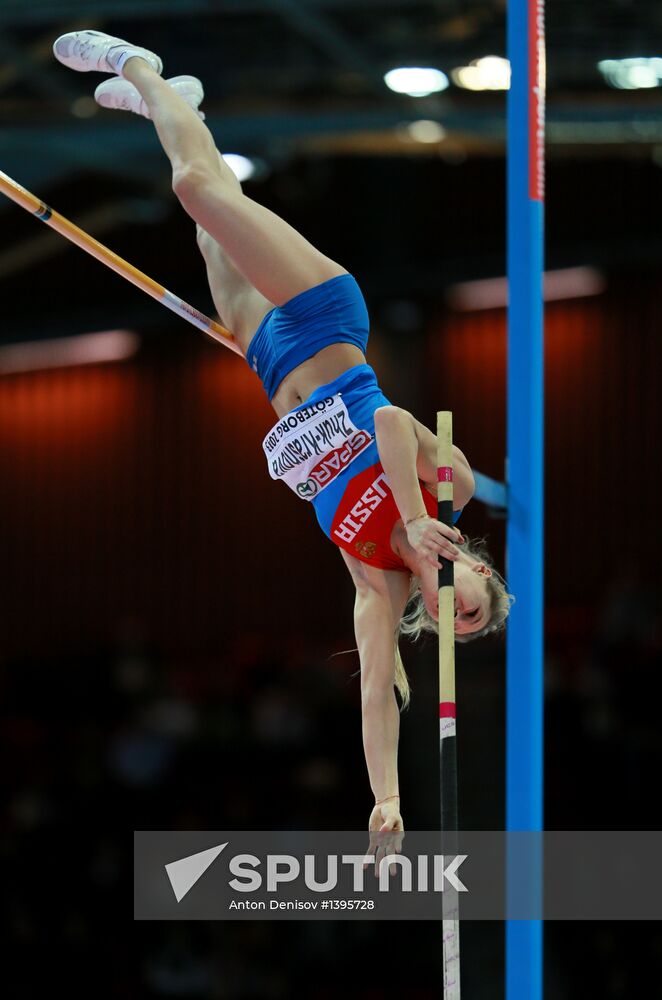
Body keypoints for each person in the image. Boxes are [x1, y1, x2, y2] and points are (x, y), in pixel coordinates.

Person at [54, 31, 513, 854]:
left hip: (268, 362)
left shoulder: (377, 589)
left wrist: (386, 803)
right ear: (476, 565)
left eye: (453, 621)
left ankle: (182, 103)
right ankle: (141, 66)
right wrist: (411, 513)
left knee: (205, 230)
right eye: (471, 598)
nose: (452, 603)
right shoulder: (449, 491)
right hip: (323, 316)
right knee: (198, 188)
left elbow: (378, 691)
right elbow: (387, 422)